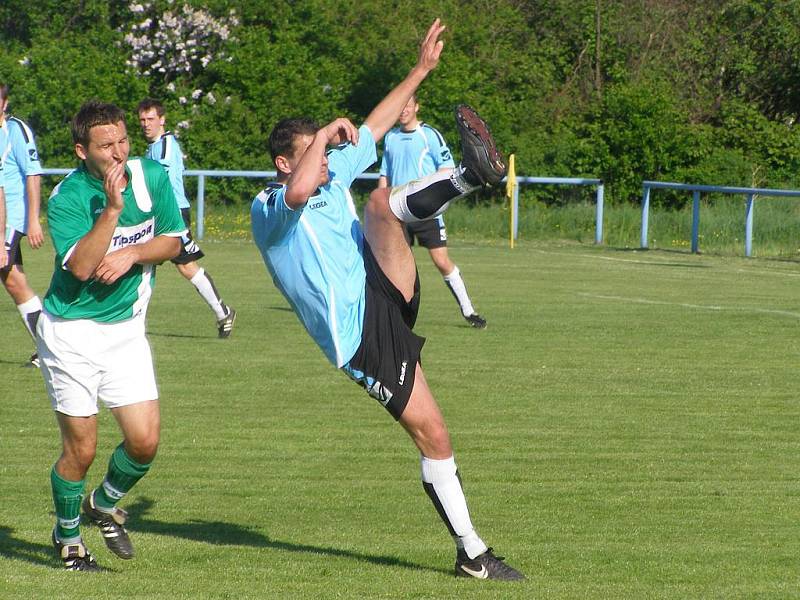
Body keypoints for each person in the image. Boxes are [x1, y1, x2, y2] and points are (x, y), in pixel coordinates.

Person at [251, 19, 524, 581]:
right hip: (360, 338)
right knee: (435, 435)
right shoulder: (270, 208)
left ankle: (471, 177)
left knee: (379, 203)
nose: (326, 164)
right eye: (314, 154)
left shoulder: (327, 176)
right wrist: (326, 136)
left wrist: (420, 70)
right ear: (285, 162)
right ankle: (472, 553)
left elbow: (373, 125)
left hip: (383, 287)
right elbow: (302, 187)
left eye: (325, 155)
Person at [39, 101, 185, 571]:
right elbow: (81, 268)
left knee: (144, 443)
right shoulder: (67, 198)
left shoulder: (152, 176)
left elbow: (174, 241)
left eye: (123, 140)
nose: (119, 152)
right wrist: (114, 209)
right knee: (81, 450)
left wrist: (133, 254)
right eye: (106, 146)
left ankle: (101, 504)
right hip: (71, 334)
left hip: (125, 332)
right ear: (82, 151)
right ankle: (68, 541)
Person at [378, 94, 487, 329]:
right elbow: (384, 174)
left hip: (426, 211)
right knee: (393, 265)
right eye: (400, 106)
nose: (403, 110)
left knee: (441, 260)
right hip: (397, 211)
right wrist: (382, 203)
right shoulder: (391, 138)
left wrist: (435, 195)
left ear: (416, 107)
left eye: (408, 105)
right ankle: (395, 315)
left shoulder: (429, 135)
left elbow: (447, 168)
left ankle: (468, 310)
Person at [137, 98, 236, 338]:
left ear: (162, 119)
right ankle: (222, 313)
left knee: (182, 264)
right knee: (147, 263)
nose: (146, 124)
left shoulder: (164, 146)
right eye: (142, 120)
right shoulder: (158, 145)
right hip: (163, 213)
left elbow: (155, 182)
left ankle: (223, 312)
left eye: (151, 119)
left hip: (171, 214)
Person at [0, 83, 44, 366]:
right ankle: (49, 347)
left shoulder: (16, 130)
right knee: (15, 283)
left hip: (11, 219)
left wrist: (33, 220)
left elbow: (33, 175)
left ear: (4, 103)